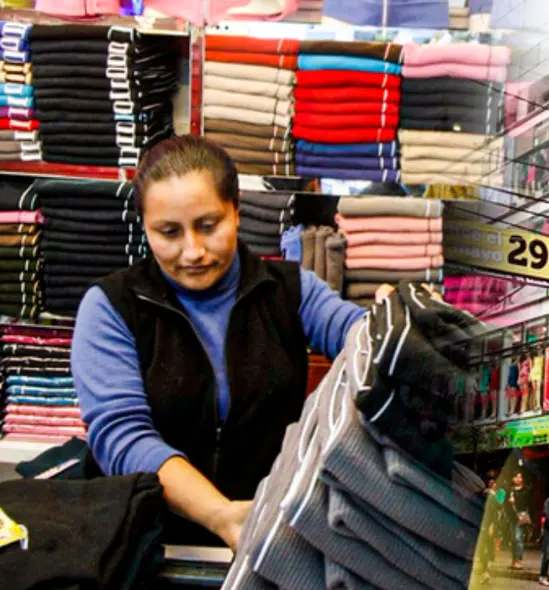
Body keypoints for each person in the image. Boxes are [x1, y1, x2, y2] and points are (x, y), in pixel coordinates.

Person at [72, 136, 376, 548]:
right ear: (144, 226)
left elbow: (359, 337)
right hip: (145, 542)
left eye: (208, 226)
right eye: (168, 232)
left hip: (266, 532)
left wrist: (395, 326)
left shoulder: (289, 290)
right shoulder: (112, 307)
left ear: (236, 211)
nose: (193, 251)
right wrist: (220, 514)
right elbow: (121, 436)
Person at [508, 472, 532, 570]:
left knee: (518, 538)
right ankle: (514, 561)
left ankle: (518, 560)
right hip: (512, 517)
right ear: (512, 479)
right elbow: (506, 503)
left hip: (521, 517)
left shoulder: (525, 489)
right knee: (513, 539)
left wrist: (515, 500)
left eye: (520, 477)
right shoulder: (510, 489)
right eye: (516, 477)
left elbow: (525, 502)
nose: (518, 479)